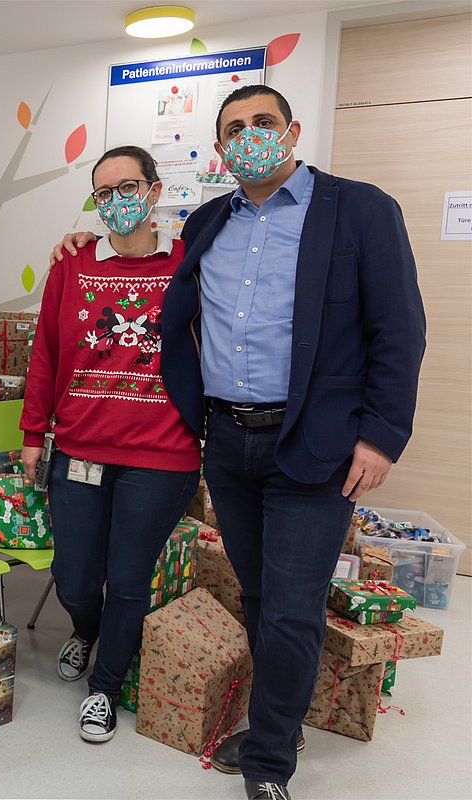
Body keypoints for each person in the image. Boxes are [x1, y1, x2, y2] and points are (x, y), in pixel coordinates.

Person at [50, 85, 425, 800]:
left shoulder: (359, 209)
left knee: (291, 605)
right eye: (235, 129)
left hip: (313, 443)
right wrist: (74, 247)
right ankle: (283, 717)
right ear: (221, 151)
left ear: (292, 131)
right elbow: (160, 296)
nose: (250, 135)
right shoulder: (208, 222)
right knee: (256, 595)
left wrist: (380, 436)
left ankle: (269, 757)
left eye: (263, 122)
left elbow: (399, 329)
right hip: (227, 440)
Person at [20, 146, 199, 745]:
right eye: (104, 192)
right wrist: (33, 433)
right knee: (74, 576)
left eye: (128, 187)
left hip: (162, 454)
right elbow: (45, 351)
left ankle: (105, 686)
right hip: (81, 449)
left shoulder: (189, 260)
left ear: (154, 191)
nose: (117, 200)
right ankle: (85, 628)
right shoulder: (72, 263)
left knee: (128, 579)